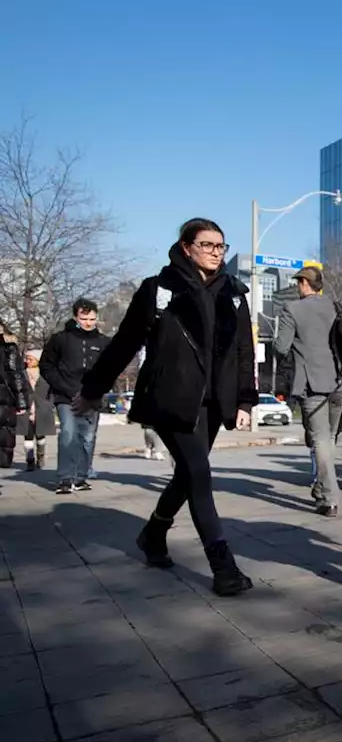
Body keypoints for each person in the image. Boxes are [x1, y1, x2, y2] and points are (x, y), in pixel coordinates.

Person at [77, 218, 254, 596]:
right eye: (207, 245)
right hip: (171, 397)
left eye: (221, 246)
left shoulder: (234, 293)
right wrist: (94, 388)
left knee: (188, 475)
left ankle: (153, 534)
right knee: (200, 475)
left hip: (212, 403)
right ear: (186, 246)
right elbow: (125, 342)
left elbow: (243, 351)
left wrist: (245, 399)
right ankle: (224, 567)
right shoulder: (158, 290)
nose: (216, 253)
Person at [276, 265, 342, 516]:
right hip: (340, 384)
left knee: (320, 441)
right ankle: (320, 487)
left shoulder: (292, 309)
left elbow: (281, 347)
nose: (297, 287)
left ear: (305, 283)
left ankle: (329, 498)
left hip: (312, 384)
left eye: (298, 283)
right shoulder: (337, 306)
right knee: (329, 439)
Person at [40, 298, 107, 494]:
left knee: (87, 438)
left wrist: (99, 389)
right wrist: (62, 386)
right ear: (75, 317)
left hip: (92, 396)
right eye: (84, 318)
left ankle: (81, 477)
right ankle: (65, 478)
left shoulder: (103, 342)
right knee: (68, 434)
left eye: (92, 319)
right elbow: (46, 365)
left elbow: (110, 368)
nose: (88, 323)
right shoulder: (60, 339)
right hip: (66, 395)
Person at [0, 328, 30, 470]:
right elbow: (16, 375)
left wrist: (22, 402)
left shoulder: (9, 350)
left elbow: (16, 376)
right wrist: (22, 402)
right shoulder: (9, 350)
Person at [22, 349, 52, 471]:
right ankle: (30, 461)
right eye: (26, 359)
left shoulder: (44, 374)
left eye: (30, 359)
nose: (27, 361)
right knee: (27, 437)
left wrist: (50, 404)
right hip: (26, 408)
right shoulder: (23, 374)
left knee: (40, 436)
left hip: (41, 409)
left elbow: (50, 391)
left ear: (38, 360)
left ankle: (40, 458)